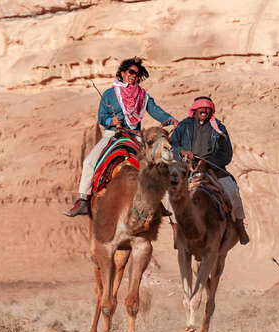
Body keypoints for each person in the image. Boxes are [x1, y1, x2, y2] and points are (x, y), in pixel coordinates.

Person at [64, 57, 178, 217]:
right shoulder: (110, 94)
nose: (134, 76)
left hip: (134, 135)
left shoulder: (142, 95)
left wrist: (168, 118)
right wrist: (111, 120)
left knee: (154, 163)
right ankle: (83, 200)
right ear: (123, 72)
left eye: (137, 74)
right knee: (89, 161)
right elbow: (101, 117)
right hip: (113, 134)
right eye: (131, 72)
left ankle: (156, 201)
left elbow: (154, 109)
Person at [171, 96, 250, 245]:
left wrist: (209, 163)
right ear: (195, 109)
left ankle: (240, 227)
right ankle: (176, 229)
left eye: (208, 108)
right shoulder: (183, 126)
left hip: (213, 168)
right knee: (172, 193)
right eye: (202, 107)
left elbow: (226, 153)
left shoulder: (219, 127)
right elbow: (171, 145)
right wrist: (182, 152)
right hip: (186, 167)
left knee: (233, 192)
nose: (205, 110)